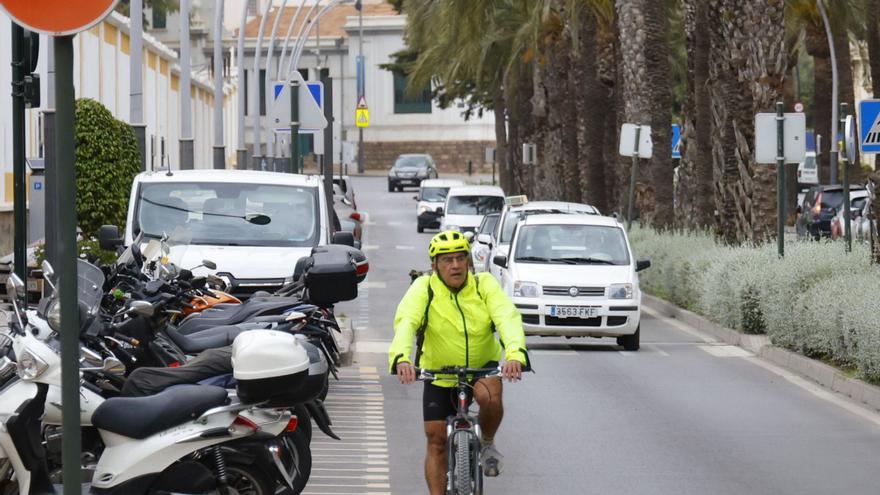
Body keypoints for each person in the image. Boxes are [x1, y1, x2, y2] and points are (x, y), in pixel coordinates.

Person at [388, 230, 528, 494]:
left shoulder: (484, 285)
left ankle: (486, 442)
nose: (455, 266)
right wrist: (402, 358)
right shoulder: (424, 288)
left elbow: (506, 317)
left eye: (460, 259)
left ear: (468, 261)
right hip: (438, 373)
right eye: (447, 260)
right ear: (435, 266)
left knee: (490, 398)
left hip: (481, 367)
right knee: (436, 440)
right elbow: (407, 321)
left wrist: (514, 354)